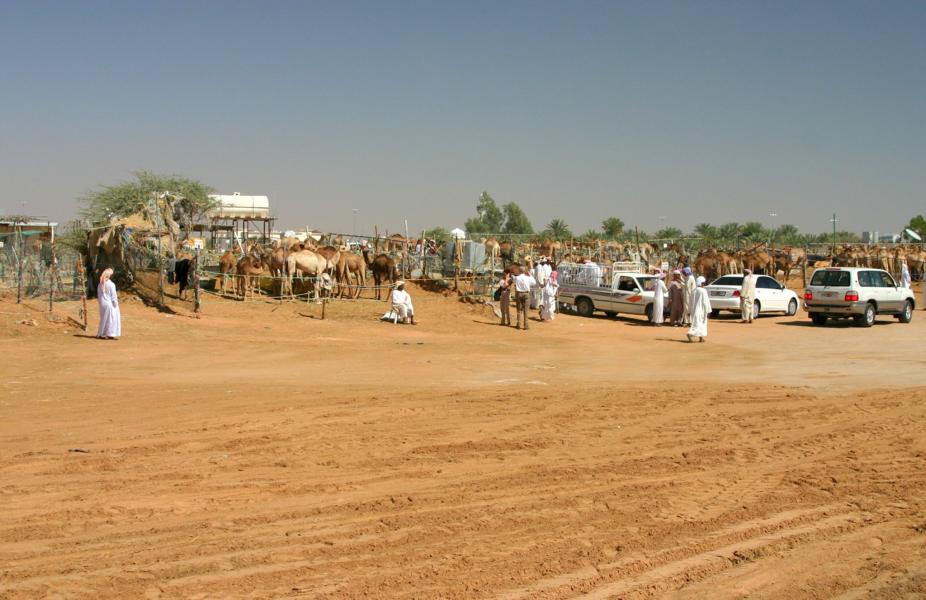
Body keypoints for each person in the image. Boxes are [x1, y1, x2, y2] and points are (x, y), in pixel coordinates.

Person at [96, 268, 121, 340]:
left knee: (104, 319)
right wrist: (116, 305)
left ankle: (102, 333)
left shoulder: (100, 284)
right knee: (111, 319)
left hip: (102, 304)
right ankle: (109, 334)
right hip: (109, 304)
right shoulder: (111, 284)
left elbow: (99, 295)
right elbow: (113, 297)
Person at [687, 276, 711, 342]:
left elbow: (690, 302)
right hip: (701, 311)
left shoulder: (693, 290)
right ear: (701, 283)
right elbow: (706, 302)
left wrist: (689, 311)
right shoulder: (703, 291)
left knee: (699, 323)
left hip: (694, 310)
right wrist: (708, 311)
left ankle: (701, 338)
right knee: (698, 324)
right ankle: (690, 333)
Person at [513, 266, 536, 330]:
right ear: (524, 271)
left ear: (519, 271)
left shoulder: (516, 278)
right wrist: (530, 275)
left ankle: (518, 324)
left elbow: (514, 282)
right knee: (526, 310)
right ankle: (526, 325)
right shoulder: (528, 278)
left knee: (519, 310)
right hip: (526, 293)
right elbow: (534, 283)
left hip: (519, 293)